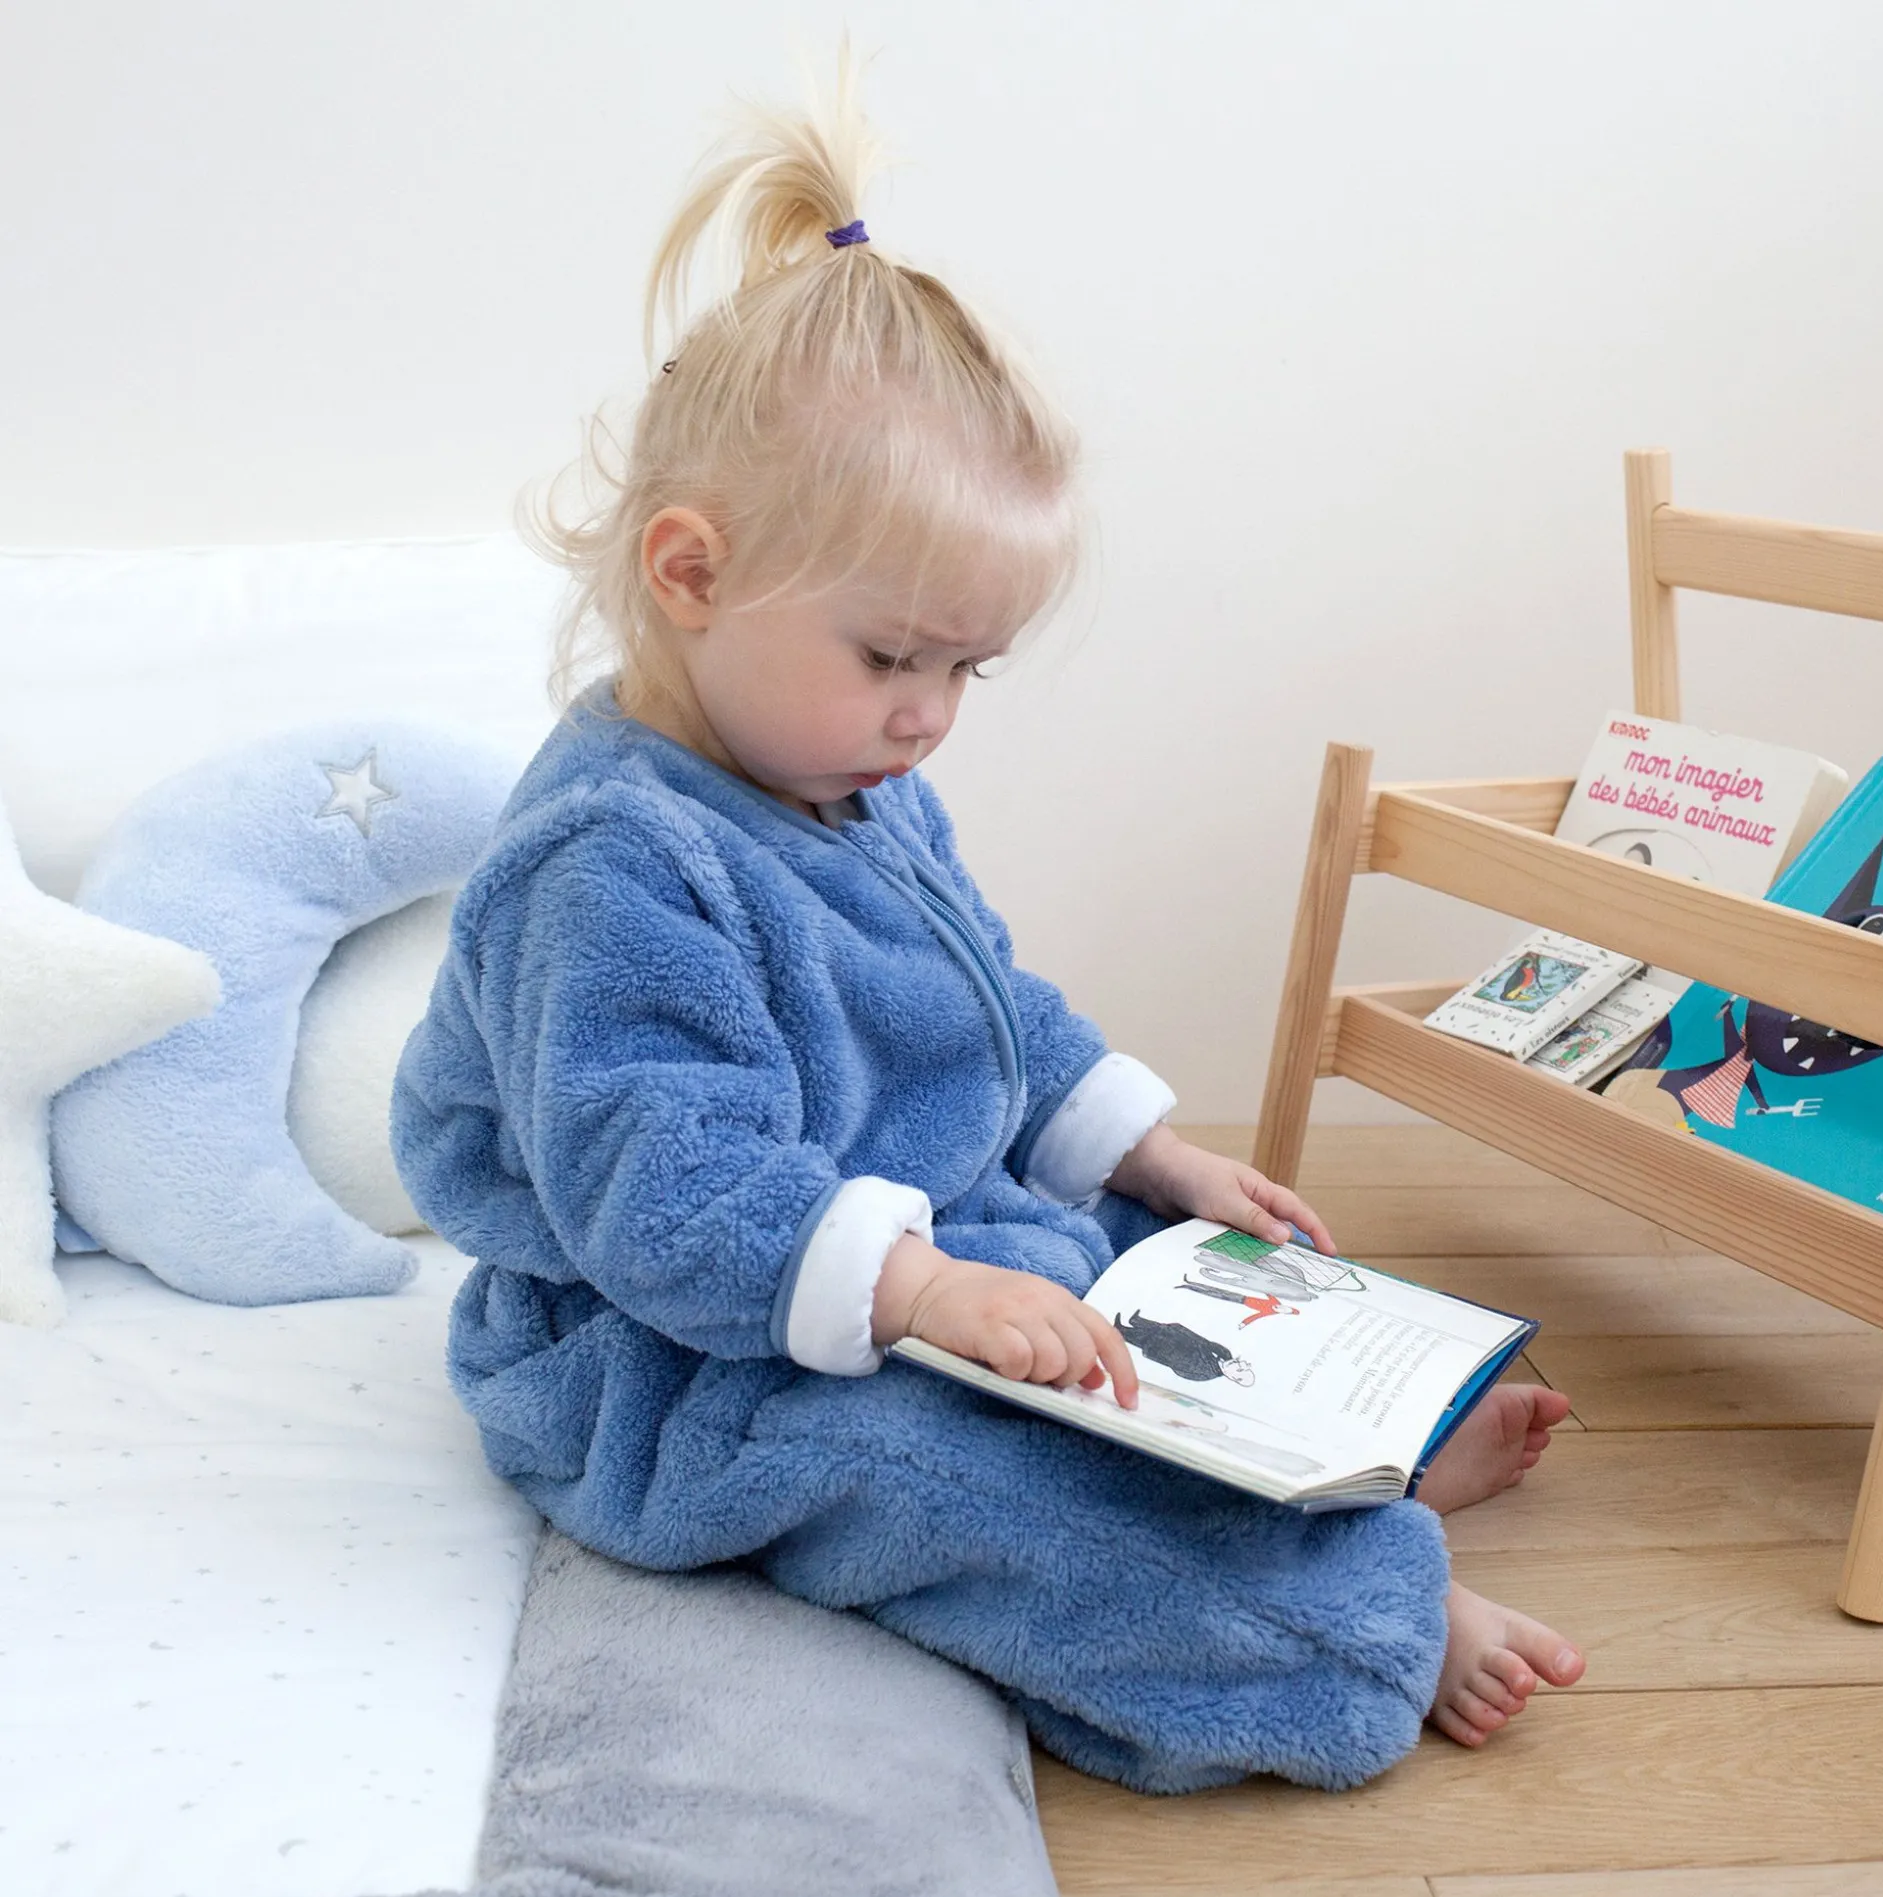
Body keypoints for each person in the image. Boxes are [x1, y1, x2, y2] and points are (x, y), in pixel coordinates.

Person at [391, 46, 1584, 1793]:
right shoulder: (609, 867)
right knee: (983, 1483)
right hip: (684, 1359)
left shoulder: (844, 775)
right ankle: (1359, 1615)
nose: (931, 714)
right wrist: (929, 1291)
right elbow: (666, 1196)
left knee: (1184, 1279)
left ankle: (1351, 1459)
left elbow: (979, 1000)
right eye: (895, 656)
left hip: (916, 1234)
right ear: (691, 573)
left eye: (970, 668)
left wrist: (1152, 1151)